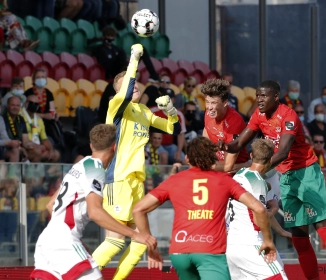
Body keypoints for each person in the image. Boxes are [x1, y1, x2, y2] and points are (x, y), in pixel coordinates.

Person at [220, 80, 326, 280]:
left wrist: (253, 169)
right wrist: (224, 146)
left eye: (263, 96)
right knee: (299, 238)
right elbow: (239, 143)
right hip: (286, 176)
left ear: (276, 97)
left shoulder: (288, 115)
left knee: (324, 229)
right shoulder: (258, 115)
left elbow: (282, 153)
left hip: (306, 172)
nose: (259, 99)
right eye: (257, 95)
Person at [92, 44, 181, 280]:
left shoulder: (143, 111)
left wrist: (171, 110)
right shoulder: (116, 107)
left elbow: (173, 127)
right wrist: (134, 58)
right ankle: (80, 275)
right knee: (116, 240)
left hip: (136, 181)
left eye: (136, 85)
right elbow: (128, 85)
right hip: (118, 178)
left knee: (141, 241)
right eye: (128, 87)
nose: (134, 88)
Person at [132, 136, 277, 280]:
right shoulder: (224, 180)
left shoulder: (174, 180)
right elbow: (259, 209)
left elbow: (138, 209)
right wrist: (268, 241)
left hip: (179, 252)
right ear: (213, 159)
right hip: (209, 251)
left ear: (187, 158)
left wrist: (150, 246)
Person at [30, 124, 157, 280]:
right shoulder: (95, 170)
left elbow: (51, 205)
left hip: (47, 240)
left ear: (91, 145)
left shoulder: (81, 164)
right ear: (115, 146)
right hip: (63, 242)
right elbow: (95, 212)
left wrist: (76, 238)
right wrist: (135, 235)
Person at [226, 139, 289, 280]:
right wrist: (274, 208)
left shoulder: (239, 173)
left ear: (251, 156)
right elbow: (258, 218)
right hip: (249, 243)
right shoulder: (257, 182)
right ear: (271, 159)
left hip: (231, 245)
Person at [202, 79, 249, 172]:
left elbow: (228, 166)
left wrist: (201, 166)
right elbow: (206, 134)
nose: (209, 107)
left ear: (225, 103)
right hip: (216, 165)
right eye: (207, 102)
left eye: (214, 103)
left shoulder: (235, 122)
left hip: (236, 171)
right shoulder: (209, 113)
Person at [21, 95, 61, 163]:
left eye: (36, 104)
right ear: (26, 103)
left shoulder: (39, 119)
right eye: (31, 103)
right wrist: (37, 146)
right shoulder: (20, 116)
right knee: (37, 151)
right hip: (26, 147)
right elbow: (24, 141)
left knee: (56, 154)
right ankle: (32, 172)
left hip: (38, 146)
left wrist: (51, 149)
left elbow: (44, 139)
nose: (33, 105)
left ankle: (46, 173)